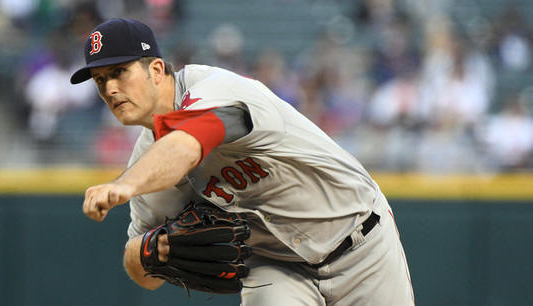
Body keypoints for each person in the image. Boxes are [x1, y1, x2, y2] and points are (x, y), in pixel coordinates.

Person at [74, 18, 414, 305]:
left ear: (157, 69)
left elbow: (186, 145)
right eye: (101, 80)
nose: (110, 89)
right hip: (276, 267)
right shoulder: (147, 161)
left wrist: (125, 185)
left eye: (119, 72)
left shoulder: (216, 90)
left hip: (361, 243)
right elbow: (144, 274)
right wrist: (146, 254)